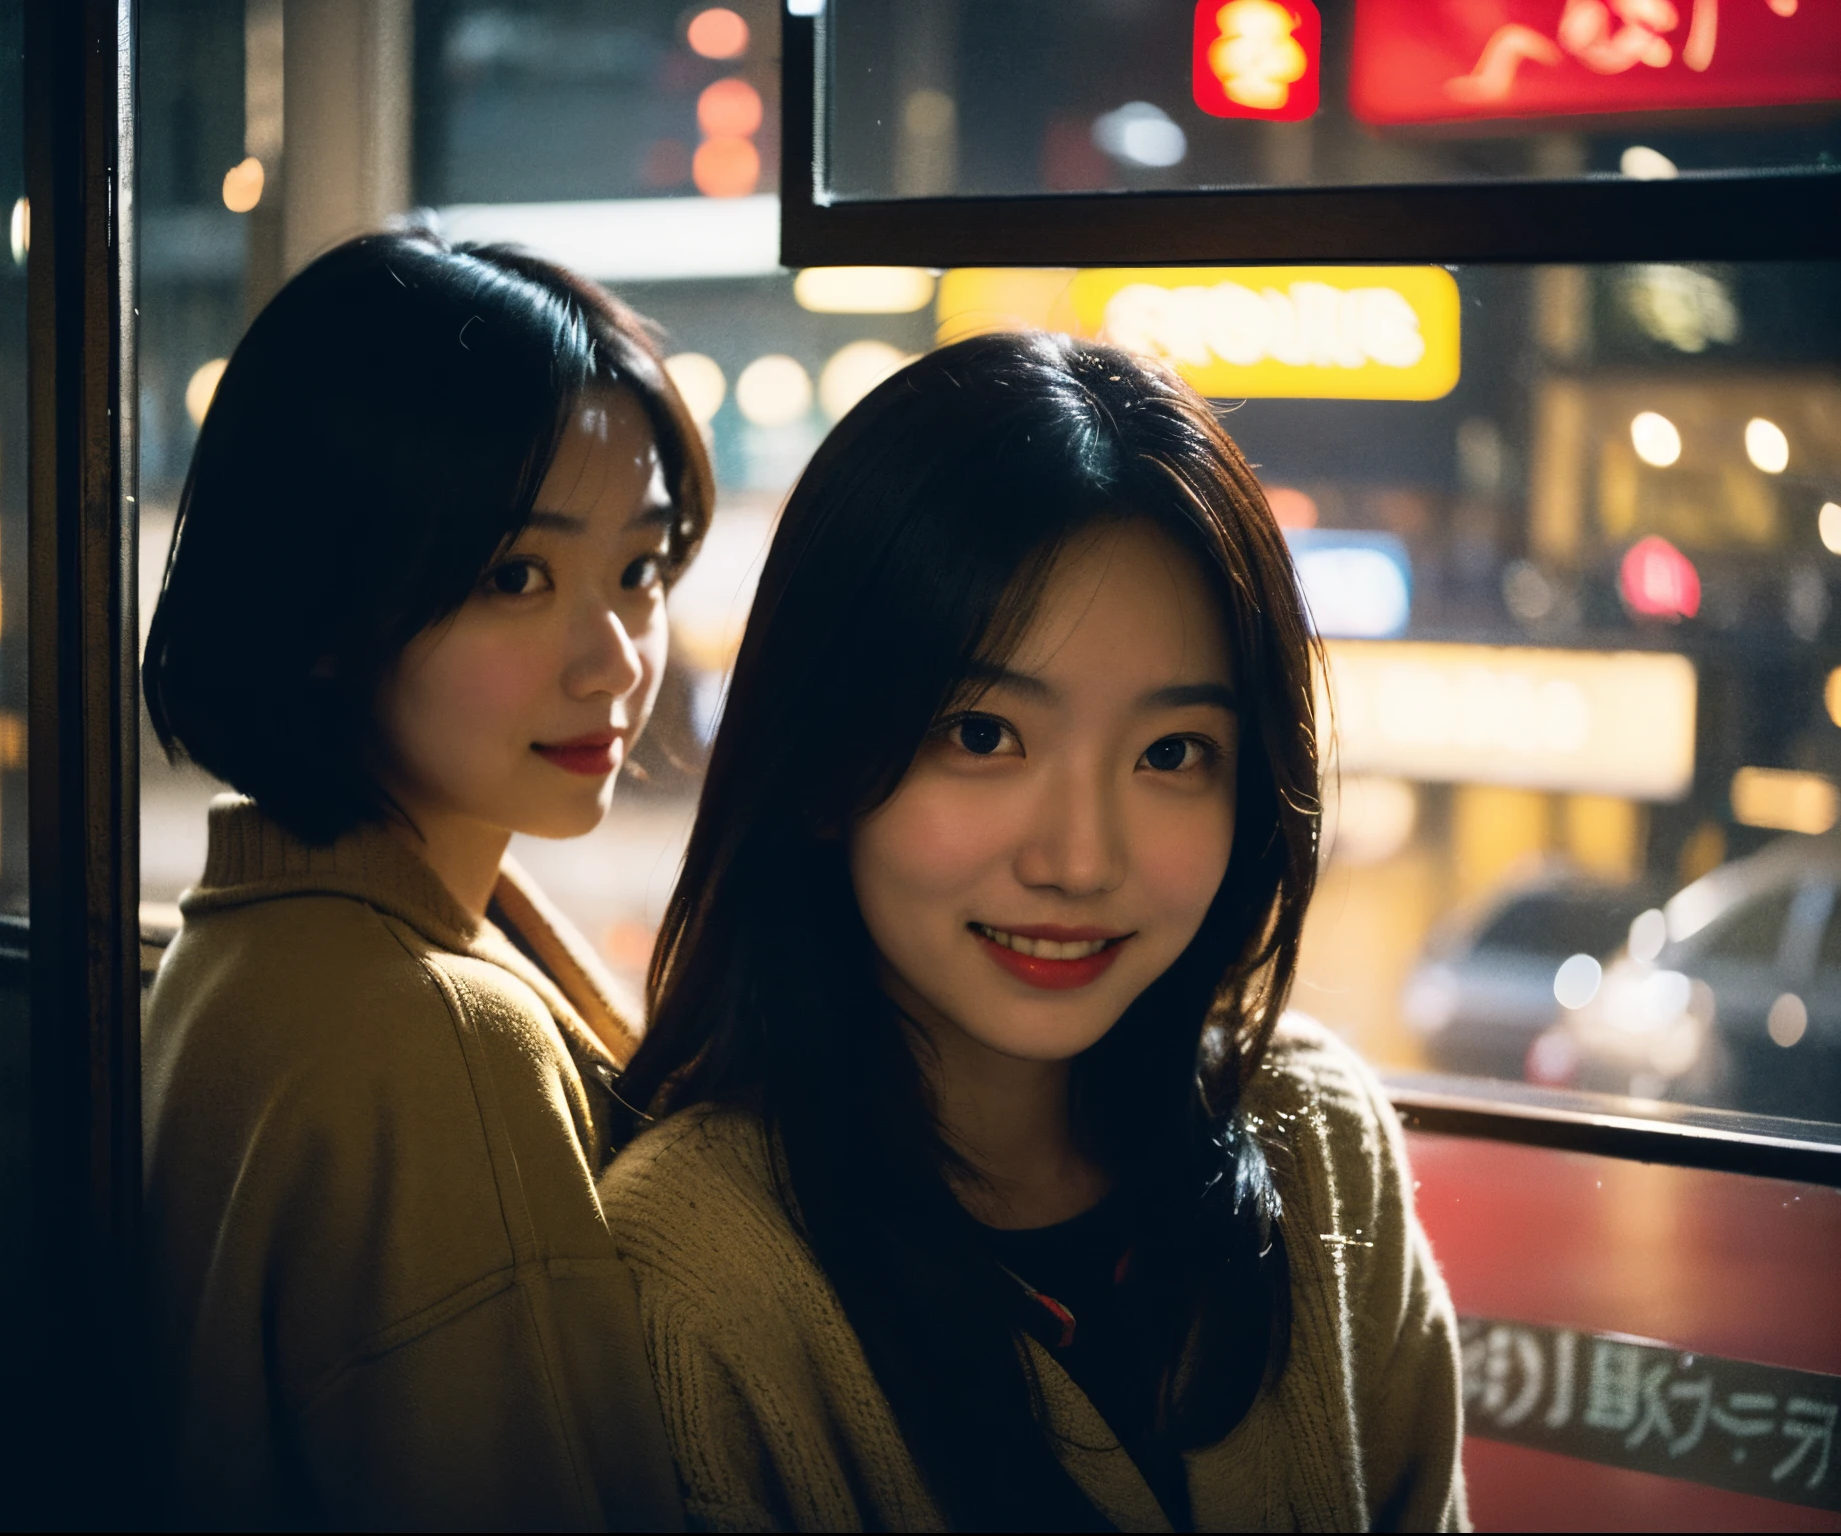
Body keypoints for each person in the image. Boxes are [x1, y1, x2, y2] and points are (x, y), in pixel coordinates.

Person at [600, 332, 1466, 1532]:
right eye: (981, 734)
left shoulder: (1313, 1137)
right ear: (817, 758)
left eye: (1170, 754)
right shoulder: (692, 1276)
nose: (1076, 860)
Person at [140, 229, 705, 1529]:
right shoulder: (432, 1034)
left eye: (639, 568)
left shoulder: (259, 942)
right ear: (328, 602)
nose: (614, 659)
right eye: (516, 576)